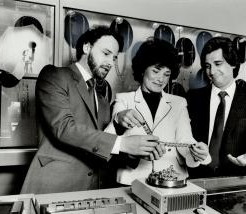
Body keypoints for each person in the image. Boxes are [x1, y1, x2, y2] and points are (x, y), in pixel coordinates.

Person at [20, 26, 163, 194]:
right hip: (54, 187)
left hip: (91, 190)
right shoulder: (54, 76)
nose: (111, 62)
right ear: (86, 48)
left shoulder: (102, 97)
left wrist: (136, 151)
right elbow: (65, 128)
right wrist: (124, 144)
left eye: (115, 57)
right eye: (106, 53)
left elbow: (99, 143)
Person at [105, 38, 211, 185]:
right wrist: (118, 121)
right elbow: (106, 141)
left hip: (171, 182)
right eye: (156, 71)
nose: (161, 79)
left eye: (167, 74)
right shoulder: (123, 100)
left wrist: (197, 153)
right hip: (132, 182)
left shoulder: (178, 103)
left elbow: (185, 141)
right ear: (142, 70)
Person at [187, 37, 246, 178]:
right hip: (197, 179)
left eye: (218, 63)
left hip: (235, 181)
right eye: (207, 66)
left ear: (233, 63)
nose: (212, 71)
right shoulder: (193, 98)